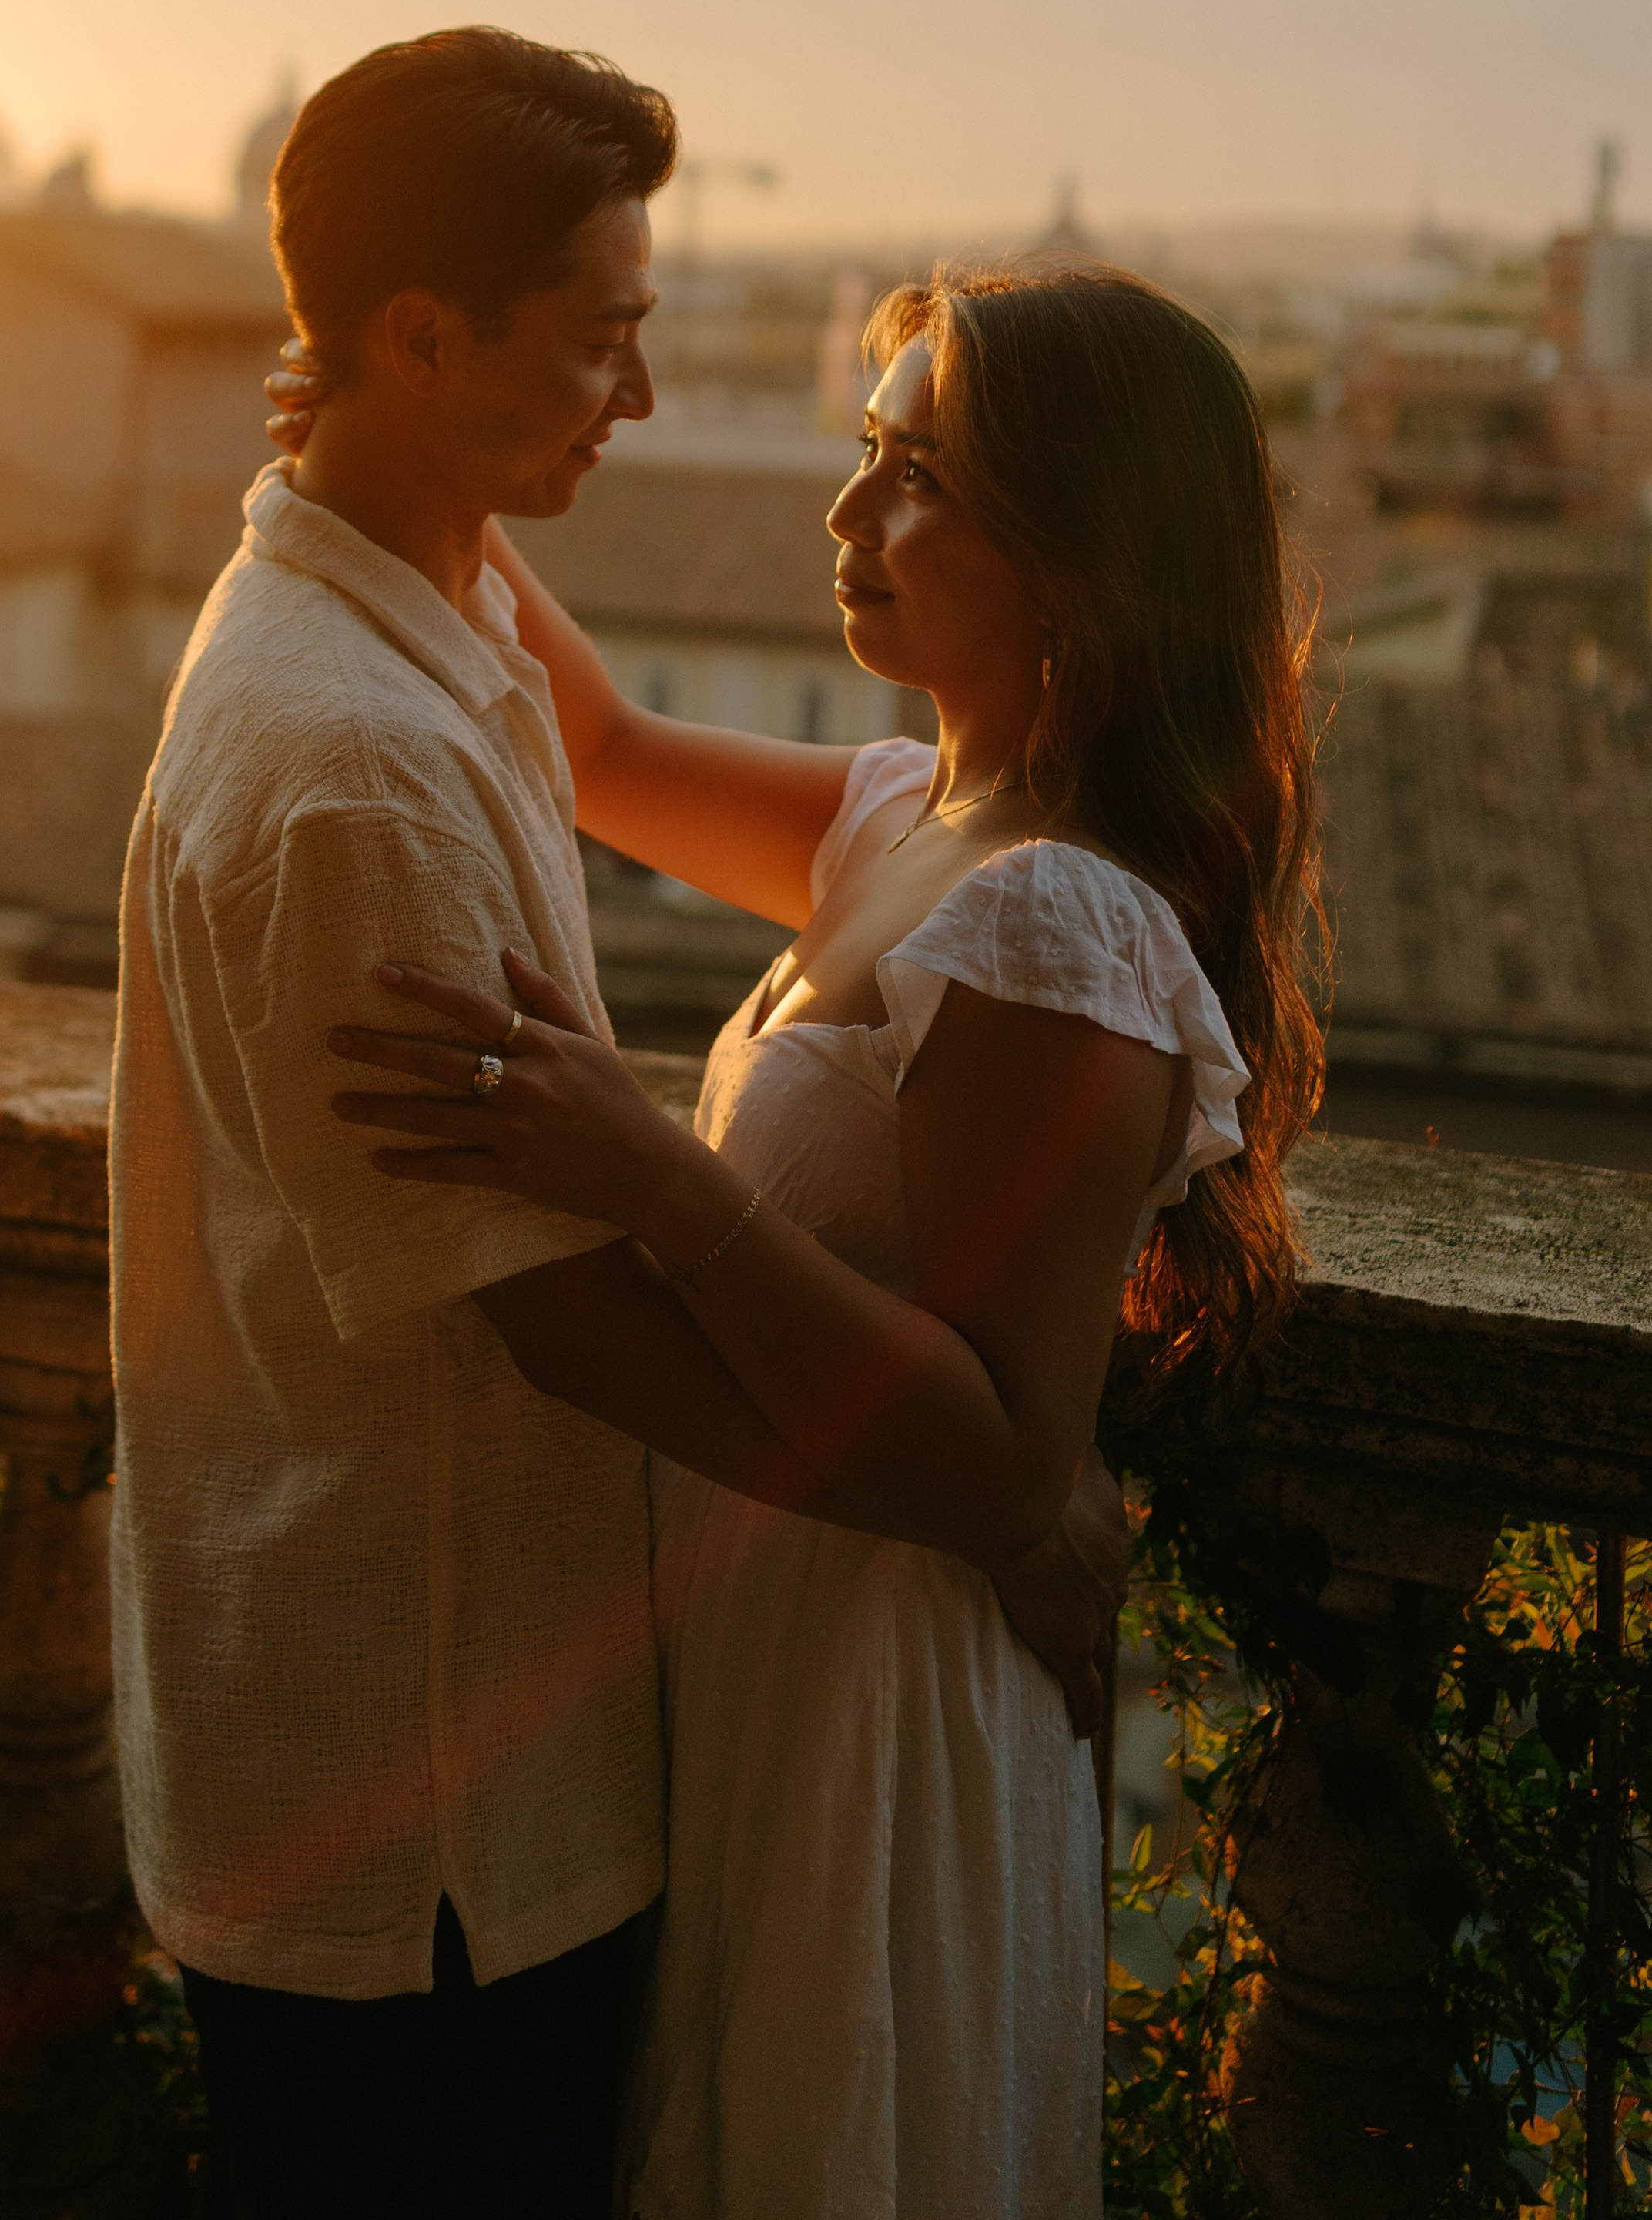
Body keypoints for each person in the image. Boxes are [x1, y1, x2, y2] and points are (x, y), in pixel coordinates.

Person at [112, 27, 1128, 2220]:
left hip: (714, 1693)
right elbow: (559, 1320)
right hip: (458, 1804)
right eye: (602, 341)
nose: (649, 402)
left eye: (907, 476)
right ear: (414, 332)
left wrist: (396, 454)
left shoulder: (989, 873)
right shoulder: (370, 751)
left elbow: (574, 731)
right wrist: (1002, 1505)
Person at [300, 259, 1323, 2218]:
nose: (848, 512)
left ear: (1082, 555)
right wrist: (392, 433)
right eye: (868, 451)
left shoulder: (1059, 921)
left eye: (916, 474)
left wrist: (655, 1175)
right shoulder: (896, 822)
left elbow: (1007, 1460)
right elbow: (588, 750)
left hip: (875, 1696)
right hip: (765, 1643)